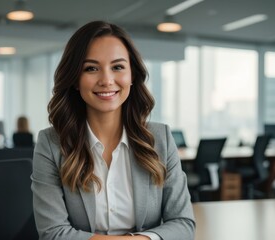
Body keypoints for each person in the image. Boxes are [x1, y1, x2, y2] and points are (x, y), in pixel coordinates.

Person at [31, 21, 195, 240]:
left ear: (132, 76)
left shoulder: (161, 139)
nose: (107, 80)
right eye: (91, 68)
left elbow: (183, 224)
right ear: (75, 80)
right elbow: (53, 233)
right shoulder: (51, 144)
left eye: (117, 67)